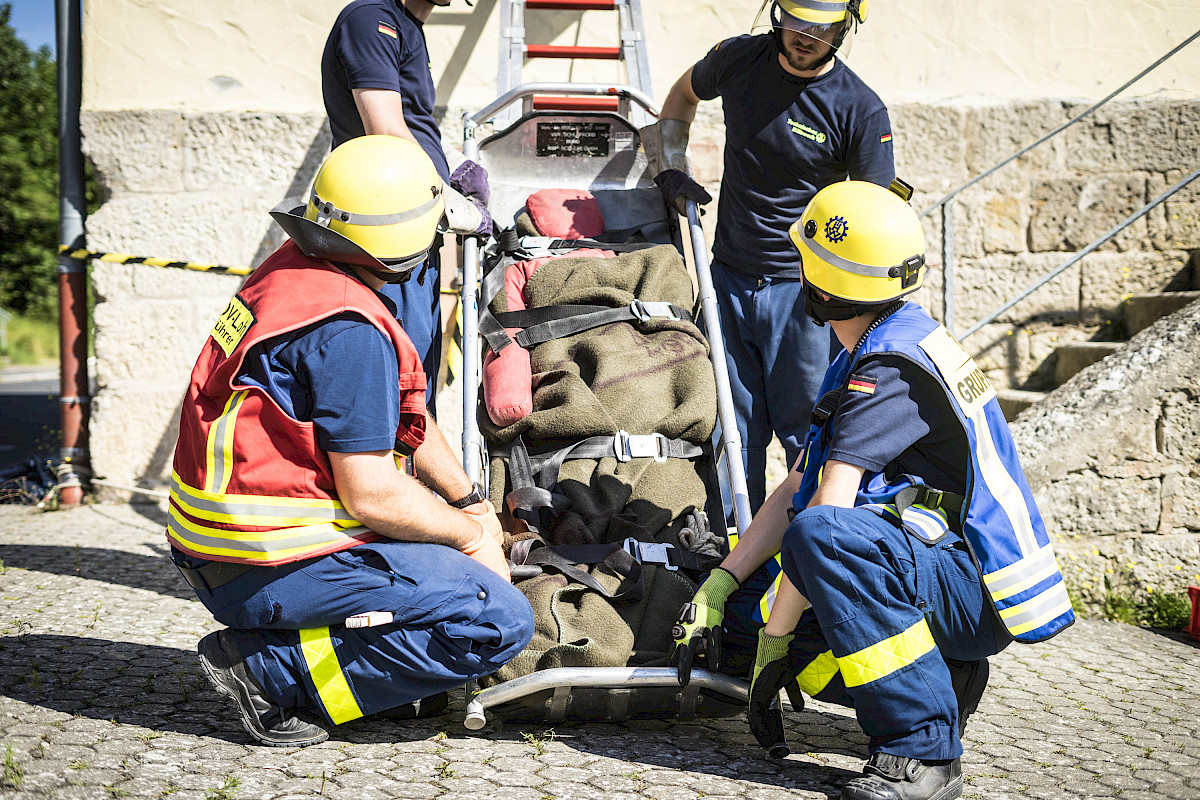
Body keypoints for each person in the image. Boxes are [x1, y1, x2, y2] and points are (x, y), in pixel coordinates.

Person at [671, 181, 1075, 800]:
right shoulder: (879, 339)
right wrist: (722, 580)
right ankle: (944, 678)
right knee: (743, 604)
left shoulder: (886, 369)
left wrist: (775, 643)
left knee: (817, 550)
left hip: (969, 590)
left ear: (822, 286)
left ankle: (923, 753)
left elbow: (825, 517)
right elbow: (800, 485)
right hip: (943, 576)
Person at [167, 136, 533, 747]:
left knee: (450, 559)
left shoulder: (296, 274)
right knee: (494, 618)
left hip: (225, 548)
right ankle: (267, 670)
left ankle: (328, 655)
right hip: (266, 565)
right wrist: (470, 538)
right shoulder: (349, 332)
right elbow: (370, 493)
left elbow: (403, 415)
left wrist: (470, 502)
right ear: (410, 245)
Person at [649, 0, 895, 511]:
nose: (805, 35)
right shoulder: (739, 59)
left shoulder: (859, 109)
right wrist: (670, 165)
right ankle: (732, 564)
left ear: (847, 23)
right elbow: (680, 95)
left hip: (805, 296)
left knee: (806, 437)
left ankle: (798, 570)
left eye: (821, 26)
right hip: (729, 278)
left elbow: (877, 215)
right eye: (796, 19)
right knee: (731, 433)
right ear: (777, 13)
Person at [321, 0, 490, 405]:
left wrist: (450, 177)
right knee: (395, 384)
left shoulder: (407, 25)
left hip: (413, 224)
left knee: (417, 381)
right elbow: (386, 129)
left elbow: (411, 123)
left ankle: (409, 467)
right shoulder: (371, 19)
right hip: (384, 234)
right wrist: (447, 197)